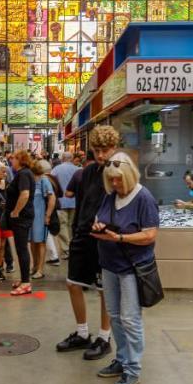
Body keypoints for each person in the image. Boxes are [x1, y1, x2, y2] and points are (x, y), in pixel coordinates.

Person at [91, 153, 160, 384]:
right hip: (109, 265)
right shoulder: (111, 196)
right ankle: (121, 360)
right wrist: (99, 226)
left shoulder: (144, 198)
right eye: (111, 181)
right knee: (115, 316)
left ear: (129, 176)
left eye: (119, 180)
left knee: (131, 319)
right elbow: (100, 217)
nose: (115, 185)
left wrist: (121, 237)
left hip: (132, 267)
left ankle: (133, 369)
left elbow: (150, 235)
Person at [56, 124, 119, 361]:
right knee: (73, 283)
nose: (101, 154)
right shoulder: (86, 172)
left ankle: (104, 337)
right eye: (97, 149)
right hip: (82, 235)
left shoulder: (117, 172)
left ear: (114, 148)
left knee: (105, 290)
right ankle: (82, 333)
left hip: (106, 240)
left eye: (106, 149)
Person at [6, 150, 36, 296]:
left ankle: (26, 283)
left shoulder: (24, 174)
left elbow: (25, 194)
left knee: (22, 249)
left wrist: (16, 211)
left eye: (14, 158)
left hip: (22, 217)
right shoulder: (24, 173)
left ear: (20, 160)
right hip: (23, 216)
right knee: (21, 248)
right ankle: (24, 279)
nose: (11, 161)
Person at [30, 159, 57, 279]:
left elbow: (52, 198)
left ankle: (40, 269)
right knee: (32, 242)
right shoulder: (30, 180)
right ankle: (35, 266)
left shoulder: (44, 180)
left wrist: (48, 215)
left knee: (41, 242)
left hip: (40, 217)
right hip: (30, 217)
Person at [51, 151, 80, 257]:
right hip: (75, 202)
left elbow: (51, 183)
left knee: (62, 225)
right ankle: (73, 246)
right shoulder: (78, 170)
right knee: (72, 225)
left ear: (62, 158)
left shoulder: (55, 170)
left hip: (61, 202)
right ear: (72, 159)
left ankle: (66, 248)